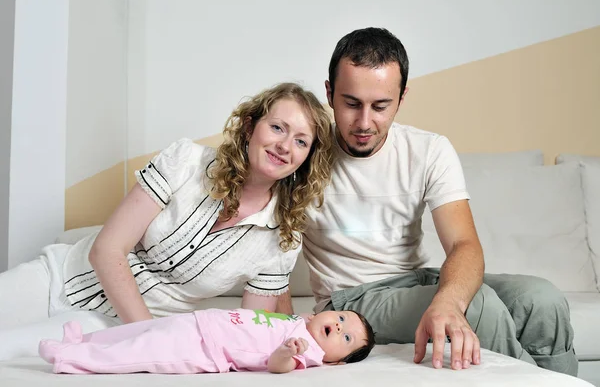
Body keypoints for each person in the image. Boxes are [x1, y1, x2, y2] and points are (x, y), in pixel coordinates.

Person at [277, 27, 577, 376]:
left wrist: (447, 300)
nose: (364, 122)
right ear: (329, 93)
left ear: (402, 98)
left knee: (543, 299)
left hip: (415, 279)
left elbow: (464, 244)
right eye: (351, 103)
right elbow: (272, 255)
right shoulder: (302, 152)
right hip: (351, 299)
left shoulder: (429, 149)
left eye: (381, 106)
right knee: (479, 307)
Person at [0, 82, 335, 360]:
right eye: (278, 127)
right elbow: (107, 250)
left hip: (110, 326)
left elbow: (242, 329)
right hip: (57, 276)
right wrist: (151, 336)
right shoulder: (186, 161)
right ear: (250, 127)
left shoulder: (283, 240)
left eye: (301, 141)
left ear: (307, 159)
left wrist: (288, 345)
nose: (284, 146)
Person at [38, 309, 375, 374]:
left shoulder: (309, 351)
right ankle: (84, 339)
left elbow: (277, 367)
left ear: (336, 360)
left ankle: (71, 359)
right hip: (202, 322)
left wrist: (285, 353)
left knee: (140, 352)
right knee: (140, 330)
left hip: (205, 350)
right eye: (341, 317)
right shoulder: (301, 321)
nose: (338, 326)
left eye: (346, 337)